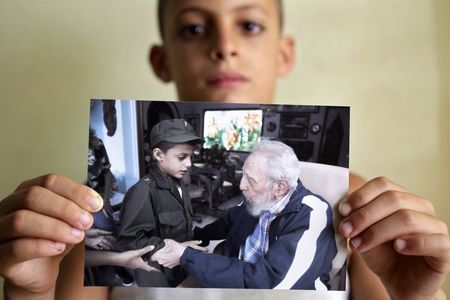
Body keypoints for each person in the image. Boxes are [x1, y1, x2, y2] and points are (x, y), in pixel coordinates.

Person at [0, 0, 448, 299]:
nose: (225, 47)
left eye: (249, 25)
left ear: (284, 53)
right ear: (162, 59)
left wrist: (417, 297)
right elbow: (227, 221)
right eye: (194, 28)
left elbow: (269, 279)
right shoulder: (85, 209)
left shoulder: (346, 203)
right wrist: (30, 292)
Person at [152, 139, 338, 289]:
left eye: (251, 179)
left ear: (280, 187)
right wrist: (189, 238)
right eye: (244, 175)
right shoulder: (258, 198)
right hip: (237, 276)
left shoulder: (313, 214)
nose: (241, 186)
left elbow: (271, 283)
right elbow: (226, 223)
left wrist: (186, 256)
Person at [114, 118, 207, 287]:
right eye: (182, 157)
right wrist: (169, 246)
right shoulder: (143, 191)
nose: (189, 163)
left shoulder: (180, 185)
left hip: (180, 265)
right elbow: (127, 241)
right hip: (156, 272)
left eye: (191, 156)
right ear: (158, 154)